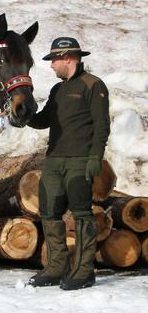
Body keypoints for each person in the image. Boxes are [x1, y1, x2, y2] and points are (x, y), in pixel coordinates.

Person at [28, 36, 109, 290]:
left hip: (79, 161)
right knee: (49, 212)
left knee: (82, 215)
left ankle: (84, 271)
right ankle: (56, 267)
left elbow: (102, 125)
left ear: (67, 58)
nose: (51, 65)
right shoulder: (57, 90)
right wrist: (24, 116)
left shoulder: (93, 85)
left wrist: (95, 156)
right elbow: (44, 121)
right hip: (53, 160)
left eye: (54, 60)